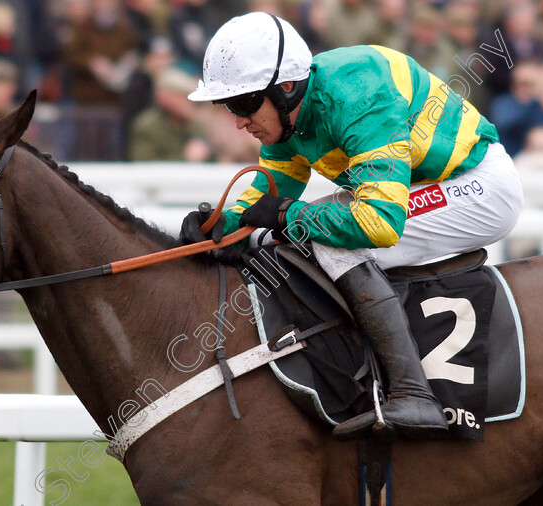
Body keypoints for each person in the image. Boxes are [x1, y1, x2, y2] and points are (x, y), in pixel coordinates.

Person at [180, 12, 524, 441]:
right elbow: (269, 194)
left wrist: (288, 216)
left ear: (286, 88)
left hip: (475, 186)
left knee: (332, 240)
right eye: (228, 106)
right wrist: (221, 225)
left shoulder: (359, 95)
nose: (237, 121)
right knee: (310, 228)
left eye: (245, 103)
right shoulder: (289, 118)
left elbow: (378, 222)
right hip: (417, 184)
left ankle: (414, 393)